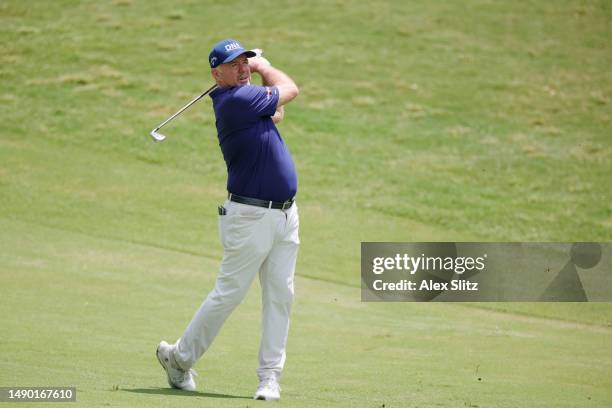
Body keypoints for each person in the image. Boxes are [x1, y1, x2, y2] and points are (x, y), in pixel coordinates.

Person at [156, 39, 300, 401]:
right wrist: (265, 66)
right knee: (229, 294)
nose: (243, 69)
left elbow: (277, 110)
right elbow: (290, 91)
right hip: (250, 216)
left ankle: (269, 377)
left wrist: (269, 99)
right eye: (235, 65)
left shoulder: (245, 102)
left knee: (281, 295)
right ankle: (179, 358)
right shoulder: (235, 100)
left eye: (246, 62)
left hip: (285, 214)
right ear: (215, 74)